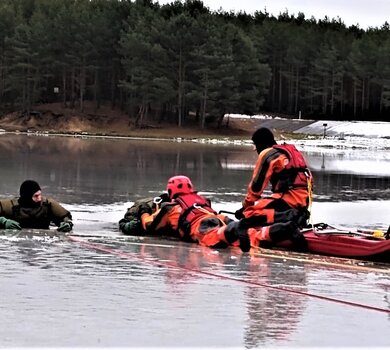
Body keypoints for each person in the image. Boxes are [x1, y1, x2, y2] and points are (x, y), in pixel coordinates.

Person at [235, 127, 313, 250]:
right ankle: (295, 217)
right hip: (302, 202)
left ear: (260, 143)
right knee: (266, 204)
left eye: (255, 145)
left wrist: (245, 207)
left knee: (249, 214)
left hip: (289, 200)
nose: (256, 150)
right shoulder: (287, 153)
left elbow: (256, 187)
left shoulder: (268, 154)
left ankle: (288, 220)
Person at [135, 175, 250, 251]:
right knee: (249, 236)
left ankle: (233, 228)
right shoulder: (203, 200)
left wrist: (144, 211)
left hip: (200, 225)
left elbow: (150, 227)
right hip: (216, 217)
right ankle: (250, 229)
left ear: (170, 191)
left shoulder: (169, 208)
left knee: (214, 237)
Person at [0, 180, 73, 232]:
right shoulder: (10, 206)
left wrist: (66, 223)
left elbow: (65, 217)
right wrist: (3, 221)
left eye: (40, 194)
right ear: (27, 197)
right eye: (36, 196)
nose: (39, 198)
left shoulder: (48, 205)